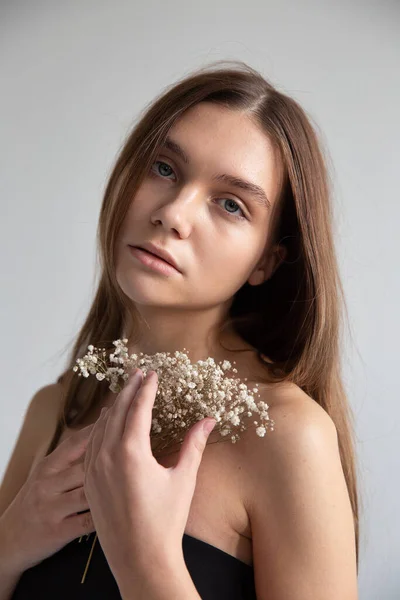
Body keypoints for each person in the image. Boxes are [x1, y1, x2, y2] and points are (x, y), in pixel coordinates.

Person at [0, 60, 359, 599]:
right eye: (164, 168)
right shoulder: (57, 411)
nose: (173, 212)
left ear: (267, 261)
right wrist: (10, 542)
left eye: (231, 204)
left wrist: (146, 561)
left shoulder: (288, 438)